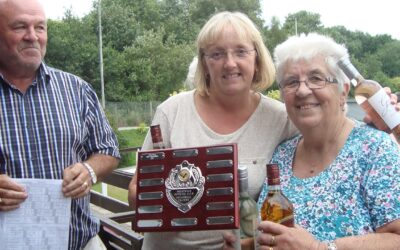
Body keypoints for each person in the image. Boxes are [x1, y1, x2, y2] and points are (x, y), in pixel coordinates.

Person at [128, 11, 298, 249]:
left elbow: (327, 140)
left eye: (240, 51)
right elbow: (135, 193)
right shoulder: (171, 111)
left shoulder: (281, 119)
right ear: (205, 63)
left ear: (257, 59)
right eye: (217, 54)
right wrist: (171, 193)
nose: (230, 63)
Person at [252, 33, 400, 249]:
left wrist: (319, 248)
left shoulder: (375, 150)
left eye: (316, 78)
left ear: (343, 92)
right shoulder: (282, 155)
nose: (303, 90)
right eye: (292, 82)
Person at [0, 0, 120, 249]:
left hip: (80, 243)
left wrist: (89, 170)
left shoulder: (76, 89)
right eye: (20, 26)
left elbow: (108, 150)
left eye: (40, 27)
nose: (32, 36)